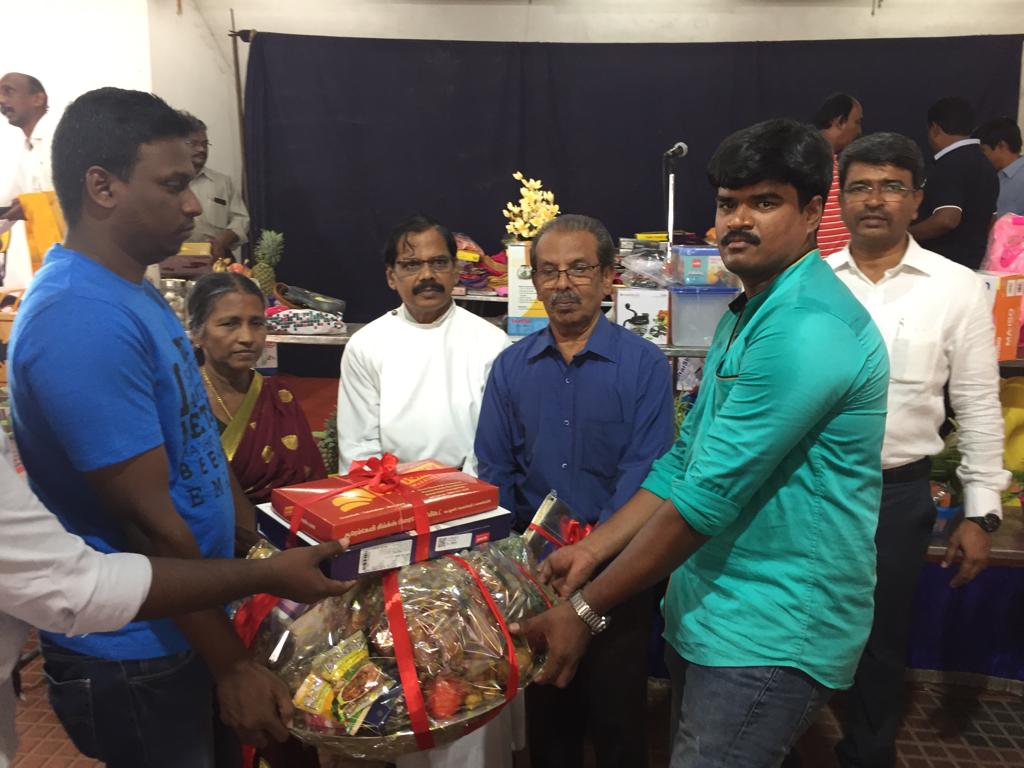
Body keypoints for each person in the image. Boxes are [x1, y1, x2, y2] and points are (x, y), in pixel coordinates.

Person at [512, 119, 890, 768]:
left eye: (764, 202)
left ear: (811, 213)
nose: (738, 220)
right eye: (727, 203)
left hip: (772, 625)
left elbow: (704, 501)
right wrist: (592, 551)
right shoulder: (753, 311)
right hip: (717, 612)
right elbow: (684, 464)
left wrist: (584, 609)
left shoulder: (806, 328)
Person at [8, 87, 290, 768]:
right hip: (137, 651)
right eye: (172, 184)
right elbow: (146, 522)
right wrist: (231, 664)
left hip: (189, 621)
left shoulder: (131, 288)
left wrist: (251, 543)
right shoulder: (79, 318)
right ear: (102, 187)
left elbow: (195, 441)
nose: (193, 205)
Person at [0, 431, 353, 768]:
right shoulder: (85, 383)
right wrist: (237, 651)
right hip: (138, 646)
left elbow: (201, 446)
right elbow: (79, 581)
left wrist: (260, 557)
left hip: (201, 620)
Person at [827, 132, 1008, 768]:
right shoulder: (808, 284)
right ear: (841, 199)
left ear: (916, 198)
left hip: (895, 496)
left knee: (881, 642)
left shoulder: (956, 288)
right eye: (860, 187)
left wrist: (981, 512)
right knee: (795, 627)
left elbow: (978, 404)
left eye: (891, 187)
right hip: (807, 489)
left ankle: (867, 753)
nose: (875, 200)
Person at [475, 213, 674, 768]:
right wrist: (520, 565)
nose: (563, 284)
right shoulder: (510, 368)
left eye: (579, 269)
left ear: (609, 276)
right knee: (549, 728)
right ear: (535, 281)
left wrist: (591, 557)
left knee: (618, 725)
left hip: (618, 576)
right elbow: (495, 470)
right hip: (535, 579)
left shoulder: (644, 366)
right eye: (549, 271)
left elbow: (646, 472)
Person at [337, 215, 509, 475]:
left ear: (456, 270)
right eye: (412, 264)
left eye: (439, 262)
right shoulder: (366, 345)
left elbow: (493, 441)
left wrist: (466, 488)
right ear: (391, 276)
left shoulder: (492, 343)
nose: (427, 275)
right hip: (389, 487)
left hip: (470, 486)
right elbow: (358, 444)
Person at [189, 271, 327, 502]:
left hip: (278, 523)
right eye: (229, 324)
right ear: (197, 333)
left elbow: (308, 487)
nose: (247, 337)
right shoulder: (181, 401)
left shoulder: (279, 399)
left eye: (256, 324)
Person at [908, 97, 999, 269]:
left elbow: (947, 219)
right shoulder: (986, 164)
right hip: (975, 263)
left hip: (943, 264)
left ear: (934, 129)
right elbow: (992, 220)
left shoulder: (949, 164)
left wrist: (903, 237)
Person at [181, 111, 250, 262]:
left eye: (204, 144)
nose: (201, 149)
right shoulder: (164, 183)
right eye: (194, 143)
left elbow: (241, 220)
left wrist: (222, 240)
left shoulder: (222, 182)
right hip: (173, 262)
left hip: (216, 260)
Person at [813, 92, 863, 256]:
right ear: (840, 121)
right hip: (820, 266)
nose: (859, 131)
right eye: (857, 122)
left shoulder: (837, 164)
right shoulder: (807, 163)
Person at [974, 116, 1024, 215]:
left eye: (983, 150)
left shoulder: (1020, 179)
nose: (980, 156)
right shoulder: (994, 175)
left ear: (1002, 146)